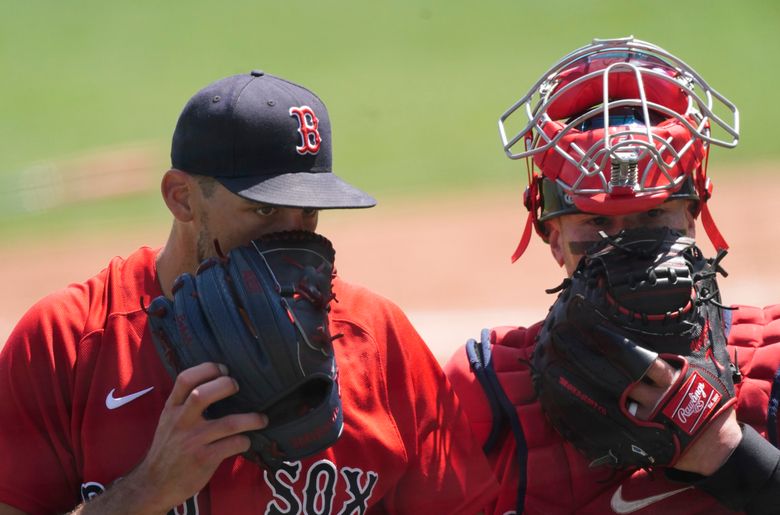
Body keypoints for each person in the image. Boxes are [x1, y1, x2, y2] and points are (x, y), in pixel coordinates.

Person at [0, 70, 499, 514]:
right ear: (182, 197)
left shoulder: (378, 340)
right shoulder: (67, 342)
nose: (292, 237)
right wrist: (145, 492)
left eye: (308, 213)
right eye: (263, 211)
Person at [444, 37, 780, 514]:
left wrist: (724, 450)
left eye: (651, 216)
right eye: (598, 222)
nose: (628, 246)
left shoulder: (775, 359)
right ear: (553, 236)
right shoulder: (483, 390)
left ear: (692, 216)